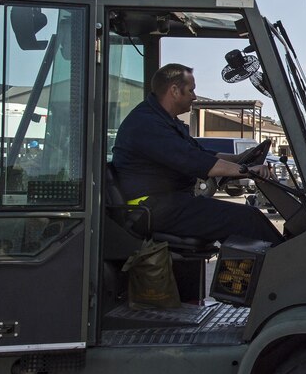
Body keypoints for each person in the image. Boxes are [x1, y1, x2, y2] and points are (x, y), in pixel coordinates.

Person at [112, 63, 281, 244]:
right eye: (191, 90)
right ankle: (289, 267)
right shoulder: (147, 124)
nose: (194, 96)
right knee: (249, 219)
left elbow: (201, 153)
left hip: (166, 203)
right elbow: (195, 161)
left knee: (243, 220)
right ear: (175, 90)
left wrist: (240, 158)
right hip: (150, 207)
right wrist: (246, 170)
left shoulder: (166, 121)